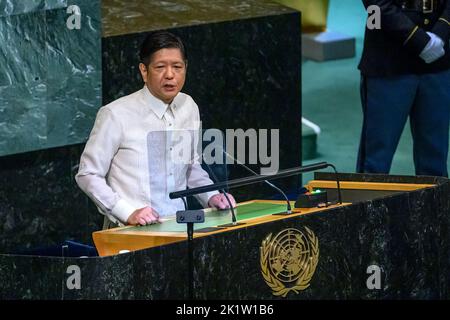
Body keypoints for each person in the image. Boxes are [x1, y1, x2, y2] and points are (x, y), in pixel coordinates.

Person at [75, 31, 236, 229]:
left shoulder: (189, 106)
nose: (170, 74)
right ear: (144, 71)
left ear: (186, 68)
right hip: (130, 231)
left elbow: (189, 166)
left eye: (177, 67)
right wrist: (127, 212)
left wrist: (212, 195)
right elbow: (88, 174)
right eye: (160, 67)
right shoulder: (115, 114)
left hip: (179, 226)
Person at [357, 0, 450, 176]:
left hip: (438, 62)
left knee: (435, 163)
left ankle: (434, 205)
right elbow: (376, 5)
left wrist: (441, 32)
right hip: (389, 62)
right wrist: (420, 40)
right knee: (376, 165)